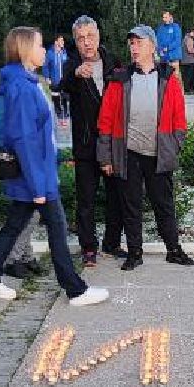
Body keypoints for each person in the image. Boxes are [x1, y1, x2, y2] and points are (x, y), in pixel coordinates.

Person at [0, 27, 110, 307]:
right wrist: (38, 187)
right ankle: (75, 290)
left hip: (35, 174)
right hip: (37, 177)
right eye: (39, 46)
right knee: (57, 229)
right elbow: (24, 140)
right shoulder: (22, 88)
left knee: (14, 225)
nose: (44, 51)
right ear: (25, 50)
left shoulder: (25, 81)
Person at [96, 24, 194, 271]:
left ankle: (174, 250)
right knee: (131, 207)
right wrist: (105, 157)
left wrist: (175, 145)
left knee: (164, 205)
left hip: (158, 155)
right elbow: (105, 120)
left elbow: (179, 119)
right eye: (131, 43)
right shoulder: (119, 79)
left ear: (152, 46)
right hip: (128, 154)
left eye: (139, 43)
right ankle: (134, 253)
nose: (134, 48)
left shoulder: (168, 79)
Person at [57, 15, 124, 267]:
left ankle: (112, 243)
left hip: (112, 143)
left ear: (98, 36)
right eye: (81, 38)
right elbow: (63, 85)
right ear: (75, 41)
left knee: (116, 196)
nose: (87, 42)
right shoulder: (71, 64)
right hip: (85, 145)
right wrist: (76, 74)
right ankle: (88, 247)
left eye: (90, 36)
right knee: (86, 200)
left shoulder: (113, 61)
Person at [181, 28, 194, 95]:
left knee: (186, 76)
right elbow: (190, 50)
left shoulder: (185, 38)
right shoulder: (189, 39)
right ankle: (188, 90)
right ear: (191, 32)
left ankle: (186, 90)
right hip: (189, 61)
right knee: (189, 76)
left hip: (184, 60)